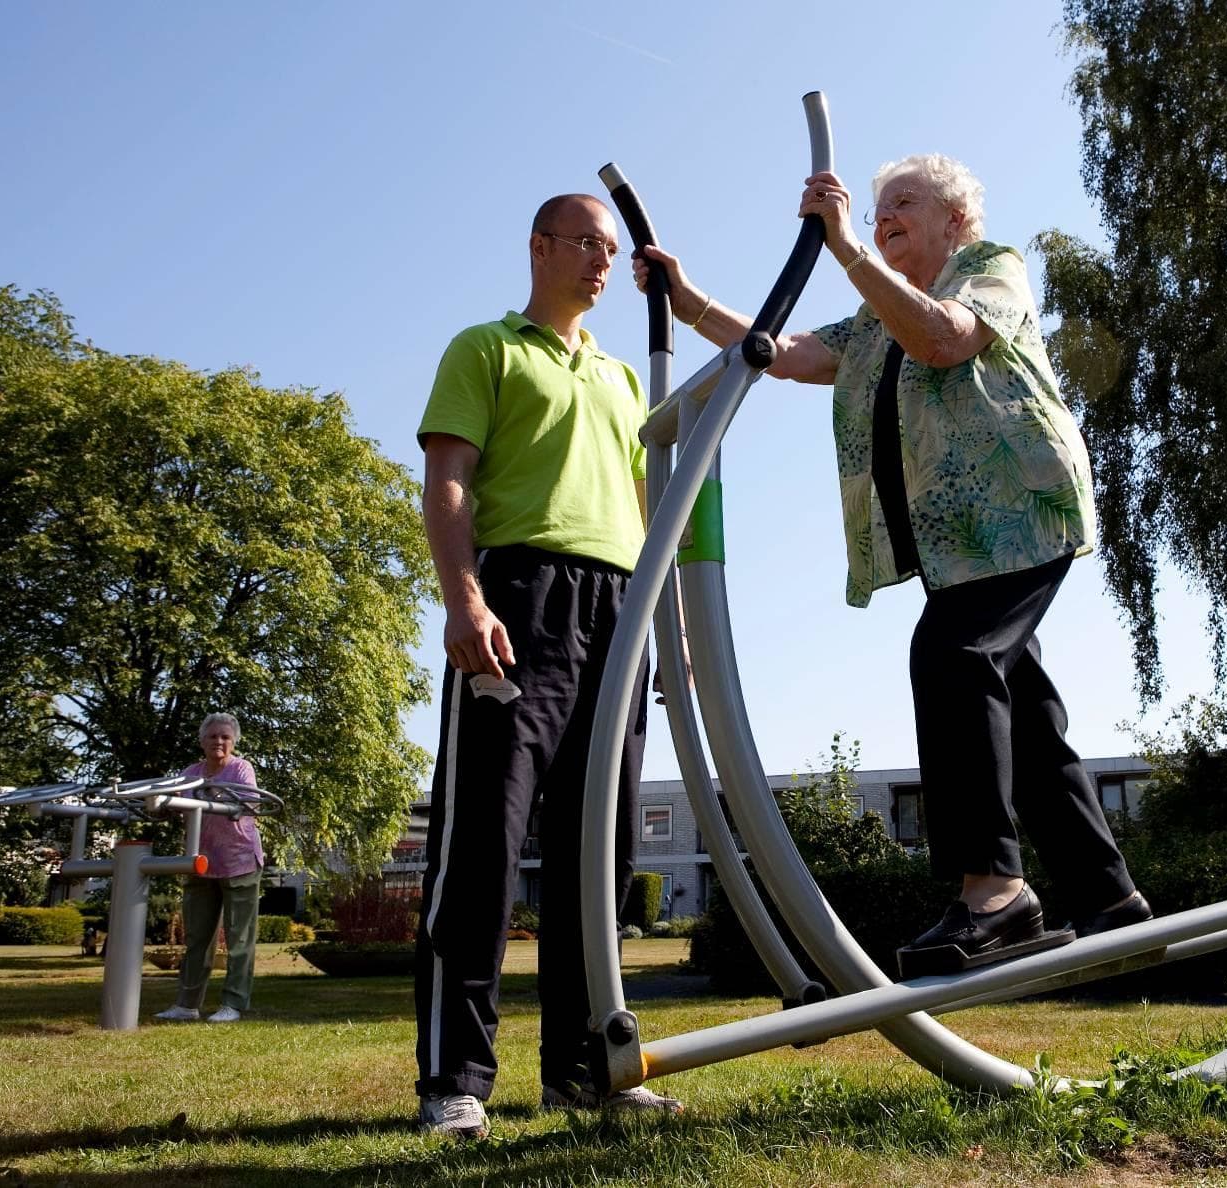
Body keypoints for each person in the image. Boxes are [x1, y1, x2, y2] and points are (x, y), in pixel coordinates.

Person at [635, 154, 1152, 979]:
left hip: (1021, 512)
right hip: (956, 547)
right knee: (1020, 709)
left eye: (901, 203)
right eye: (875, 212)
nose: (881, 220)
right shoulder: (877, 320)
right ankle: (1108, 896)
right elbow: (790, 352)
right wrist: (688, 299)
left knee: (952, 655)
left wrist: (846, 250)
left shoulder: (992, 269)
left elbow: (947, 339)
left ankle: (996, 891)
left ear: (957, 219)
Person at [413, 192, 681, 1140]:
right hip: (518, 600)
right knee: (481, 846)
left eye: (612, 250)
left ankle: (583, 1069)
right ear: (539, 246)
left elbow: (654, 513)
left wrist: (671, 636)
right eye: (586, 244)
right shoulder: (485, 348)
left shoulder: (622, 377)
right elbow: (447, 479)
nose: (602, 262)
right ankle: (455, 1079)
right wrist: (466, 600)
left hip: (620, 608)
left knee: (597, 857)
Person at [154, 711, 264, 1024]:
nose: (219, 741)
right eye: (213, 736)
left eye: (225, 737)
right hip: (200, 861)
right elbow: (173, 807)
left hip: (239, 860)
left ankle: (233, 1003)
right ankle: (187, 1004)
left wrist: (222, 798)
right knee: (197, 937)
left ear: (234, 742)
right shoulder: (191, 773)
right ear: (202, 741)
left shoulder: (241, 769)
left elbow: (251, 804)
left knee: (238, 937)